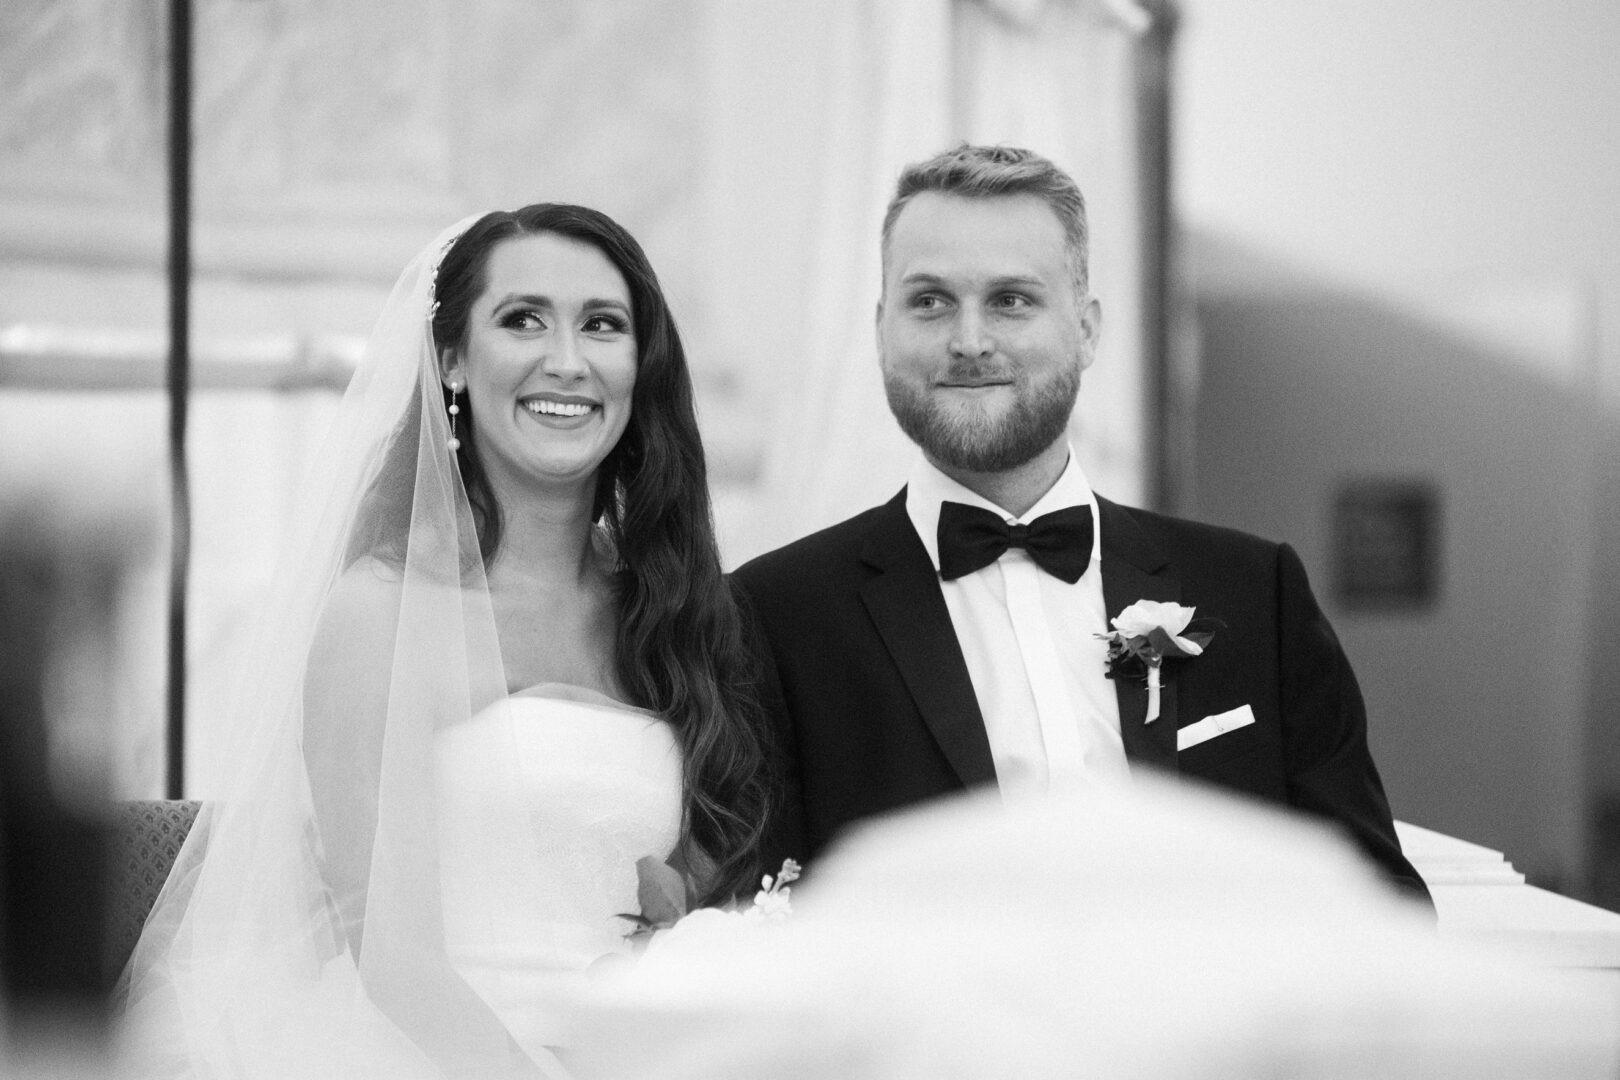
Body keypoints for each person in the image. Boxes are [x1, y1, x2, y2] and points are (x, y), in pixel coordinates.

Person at [117, 204, 779, 1078]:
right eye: (523, 320)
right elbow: (388, 953)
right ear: (454, 361)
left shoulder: (668, 613)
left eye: (603, 326)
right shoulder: (381, 612)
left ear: (638, 366)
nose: (567, 360)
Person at [733, 144, 1428, 902]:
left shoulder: (1255, 592)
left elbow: (1380, 903)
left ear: (1088, 330)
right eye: (929, 300)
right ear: (880, 330)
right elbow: (758, 923)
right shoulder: (773, 616)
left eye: (1012, 300)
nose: (970, 340)